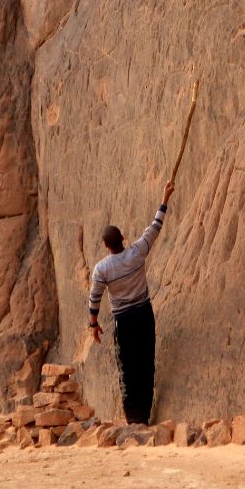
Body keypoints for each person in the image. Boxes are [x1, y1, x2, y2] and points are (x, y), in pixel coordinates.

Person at [87, 181, 175, 425]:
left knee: (128, 367)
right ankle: (144, 416)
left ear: (106, 246)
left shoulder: (102, 269)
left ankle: (133, 418)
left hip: (123, 320)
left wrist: (93, 324)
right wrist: (164, 197)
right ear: (123, 238)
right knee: (146, 362)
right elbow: (155, 227)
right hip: (144, 314)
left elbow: (95, 298)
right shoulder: (137, 253)